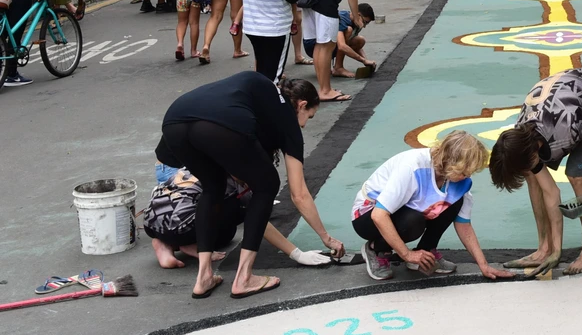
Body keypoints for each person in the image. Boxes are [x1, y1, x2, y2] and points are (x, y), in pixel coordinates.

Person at [155, 73, 346, 298]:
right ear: (302, 105)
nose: (304, 125)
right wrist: (326, 237)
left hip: (174, 120)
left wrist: (295, 253)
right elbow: (299, 194)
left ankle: (204, 277)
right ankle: (244, 277)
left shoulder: (256, 100)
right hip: (217, 123)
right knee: (268, 184)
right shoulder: (285, 115)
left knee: (213, 186)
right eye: (309, 117)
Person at [488, 67, 582, 276]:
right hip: (566, 98)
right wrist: (555, 250)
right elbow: (551, 192)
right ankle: (544, 248)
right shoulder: (521, 135)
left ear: (534, 152)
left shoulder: (570, 125)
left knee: (576, 174)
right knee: (533, 178)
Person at [353, 132, 514, 281]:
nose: (469, 176)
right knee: (413, 221)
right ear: (451, 164)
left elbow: (464, 225)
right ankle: (377, 249)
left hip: (402, 210)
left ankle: (426, 252)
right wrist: (407, 254)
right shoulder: (413, 167)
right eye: (465, 172)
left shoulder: (457, 179)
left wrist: (483, 265)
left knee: (455, 199)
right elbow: (379, 215)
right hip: (367, 215)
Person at [144, 168, 331, 270]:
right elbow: (258, 220)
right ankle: (189, 242)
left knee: (228, 233)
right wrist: (297, 253)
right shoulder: (235, 182)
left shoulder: (202, 161)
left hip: (151, 222)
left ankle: (164, 243)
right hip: (182, 227)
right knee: (241, 209)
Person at [332, 2, 376, 78]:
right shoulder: (342, 19)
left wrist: (366, 61)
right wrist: (363, 60)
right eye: (365, 22)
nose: (364, 26)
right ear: (358, 15)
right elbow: (342, 46)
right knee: (348, 30)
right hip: (316, 46)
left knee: (360, 40)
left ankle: (337, 67)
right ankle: (338, 68)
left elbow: (357, 45)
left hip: (330, 46)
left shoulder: (355, 21)